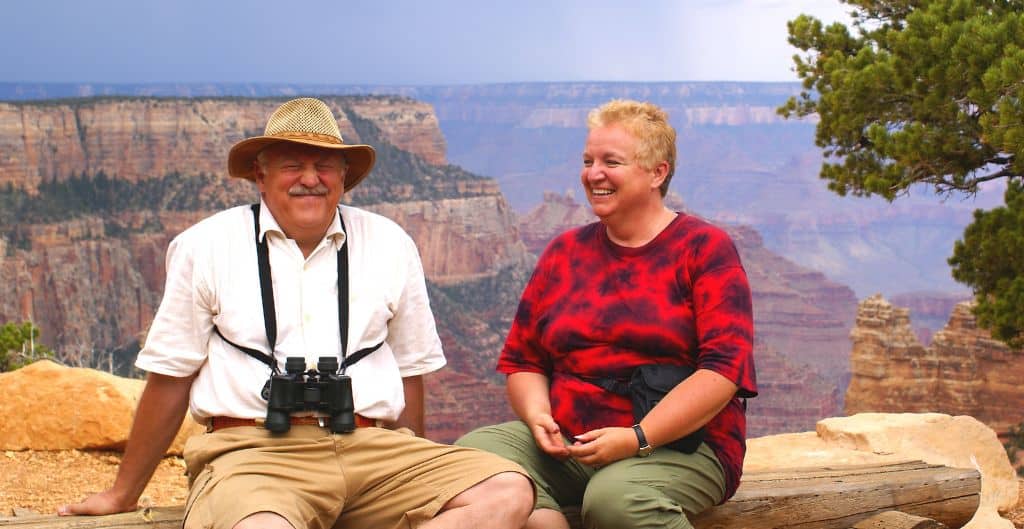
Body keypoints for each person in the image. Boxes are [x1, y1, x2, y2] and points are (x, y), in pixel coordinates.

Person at [58, 97, 534, 529]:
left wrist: (416, 474)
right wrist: (123, 493)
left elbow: (410, 370)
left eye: (325, 165)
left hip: (369, 445)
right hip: (252, 453)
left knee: (507, 491)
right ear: (260, 176)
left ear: (344, 176)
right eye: (293, 165)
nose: (311, 178)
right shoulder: (205, 246)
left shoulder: (390, 243)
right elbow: (170, 377)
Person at [456, 99, 757, 529]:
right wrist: (539, 416)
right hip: (572, 440)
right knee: (470, 458)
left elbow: (723, 373)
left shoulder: (704, 251)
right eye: (587, 160)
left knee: (615, 500)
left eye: (610, 162)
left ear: (658, 172)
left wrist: (637, 438)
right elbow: (524, 361)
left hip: (681, 445)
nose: (593, 173)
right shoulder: (565, 253)